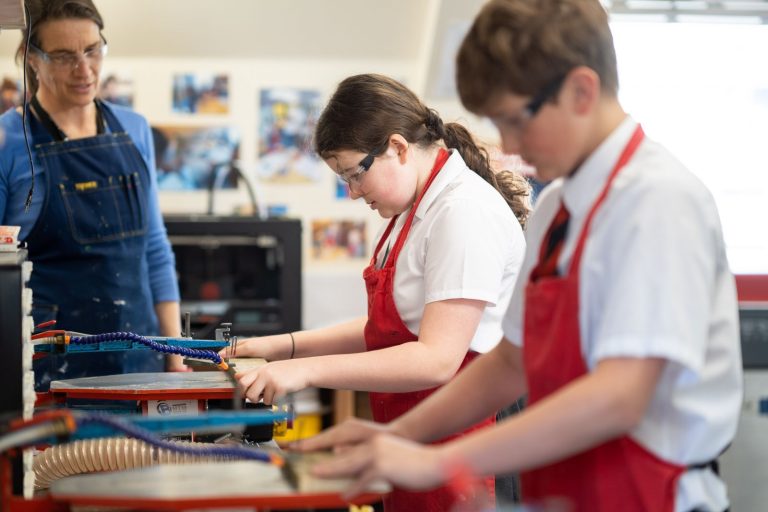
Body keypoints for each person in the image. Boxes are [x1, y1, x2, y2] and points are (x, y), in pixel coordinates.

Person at [299, 2, 743, 512]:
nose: (509, 143)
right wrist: (396, 437)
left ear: (581, 91)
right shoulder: (557, 205)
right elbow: (512, 360)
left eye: (515, 119)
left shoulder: (658, 201)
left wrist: (442, 461)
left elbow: (621, 396)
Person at [229, 73, 531, 510]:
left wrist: (306, 372)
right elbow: (387, 328)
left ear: (398, 147)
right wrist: (279, 347)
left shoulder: (462, 212)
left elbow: (436, 359)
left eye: (354, 174)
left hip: (472, 437)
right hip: (418, 433)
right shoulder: (412, 212)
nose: (352, 193)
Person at [0, 0, 185, 389]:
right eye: (64, 56)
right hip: (48, 371)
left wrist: (174, 348)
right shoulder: (8, 144)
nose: (84, 70)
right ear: (31, 58)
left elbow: (153, 248)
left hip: (140, 356)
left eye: (92, 50)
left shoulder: (133, 129)